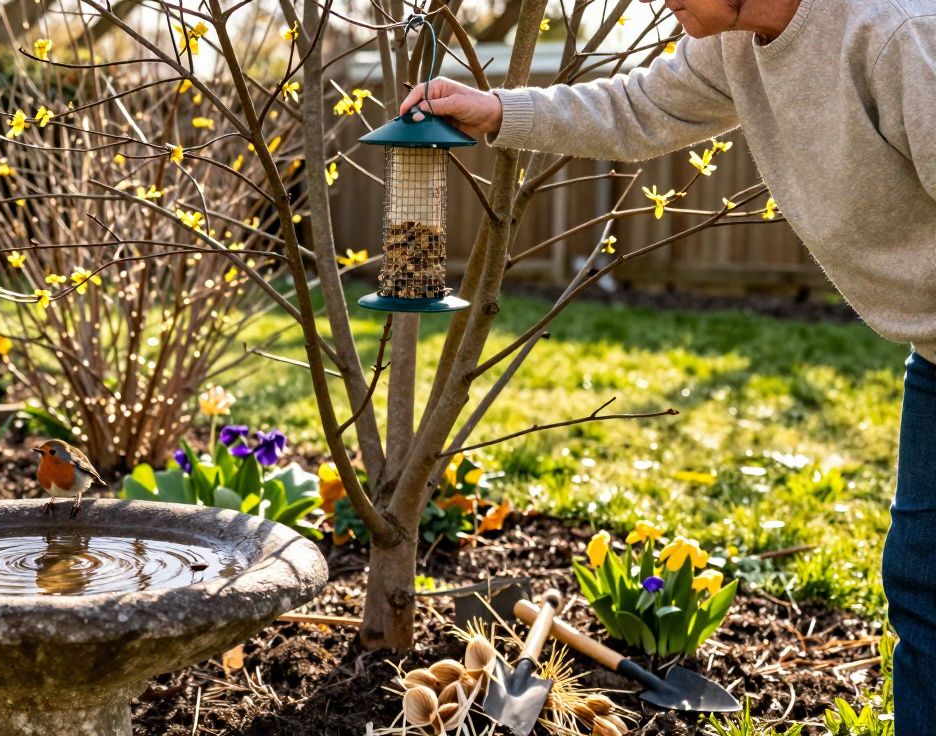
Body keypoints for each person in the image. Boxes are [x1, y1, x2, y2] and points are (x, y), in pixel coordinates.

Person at [399, 0, 936, 728]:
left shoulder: (896, 35)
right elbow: (637, 110)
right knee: (922, 586)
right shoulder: (738, 47)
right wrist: (496, 111)